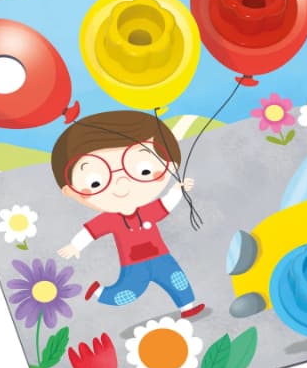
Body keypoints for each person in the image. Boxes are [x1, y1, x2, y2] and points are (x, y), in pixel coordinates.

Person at [52, 110, 205, 319]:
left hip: (161, 257)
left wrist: (177, 190)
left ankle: (188, 307)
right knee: (128, 292)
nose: (121, 183)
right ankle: (99, 292)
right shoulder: (110, 219)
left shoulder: (148, 210)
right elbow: (90, 232)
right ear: (72, 192)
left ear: (169, 164)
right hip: (133, 265)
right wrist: (75, 245)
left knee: (177, 280)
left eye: (144, 170)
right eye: (95, 182)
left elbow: (166, 204)